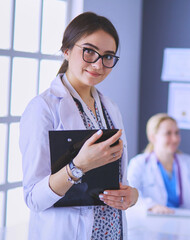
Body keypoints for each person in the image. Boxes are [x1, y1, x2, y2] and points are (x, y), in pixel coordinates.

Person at [19, 12, 138, 240]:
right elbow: (34, 198)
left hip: (112, 232)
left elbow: (119, 178)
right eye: (89, 51)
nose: (98, 64)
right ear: (67, 50)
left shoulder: (111, 109)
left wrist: (131, 196)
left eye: (108, 56)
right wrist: (78, 166)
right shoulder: (42, 109)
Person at [127, 113, 190, 214]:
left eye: (177, 133)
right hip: (152, 221)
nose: (175, 139)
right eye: (168, 133)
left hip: (184, 220)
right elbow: (130, 195)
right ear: (152, 137)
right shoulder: (139, 163)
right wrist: (151, 206)